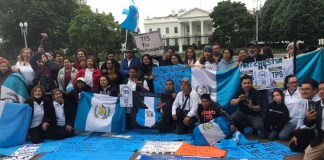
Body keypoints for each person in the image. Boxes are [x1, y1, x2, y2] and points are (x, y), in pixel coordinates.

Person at [289, 78, 320, 152]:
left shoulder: (319, 102)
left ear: (315, 90)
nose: (303, 91)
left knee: (296, 132)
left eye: (307, 89)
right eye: (302, 89)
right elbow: (301, 117)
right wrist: (297, 133)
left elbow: (313, 125)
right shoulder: (305, 99)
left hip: (318, 131)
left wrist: (298, 132)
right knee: (294, 146)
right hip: (308, 129)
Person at [303, 81, 324, 160]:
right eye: (320, 89)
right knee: (307, 156)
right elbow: (308, 124)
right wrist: (308, 119)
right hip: (321, 138)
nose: (322, 91)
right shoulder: (315, 105)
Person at [280, 75, 301, 140]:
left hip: (300, 118)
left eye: (296, 82)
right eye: (292, 82)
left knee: (282, 136)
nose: (294, 84)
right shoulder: (284, 94)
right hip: (289, 120)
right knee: (282, 136)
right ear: (287, 84)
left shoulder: (301, 91)